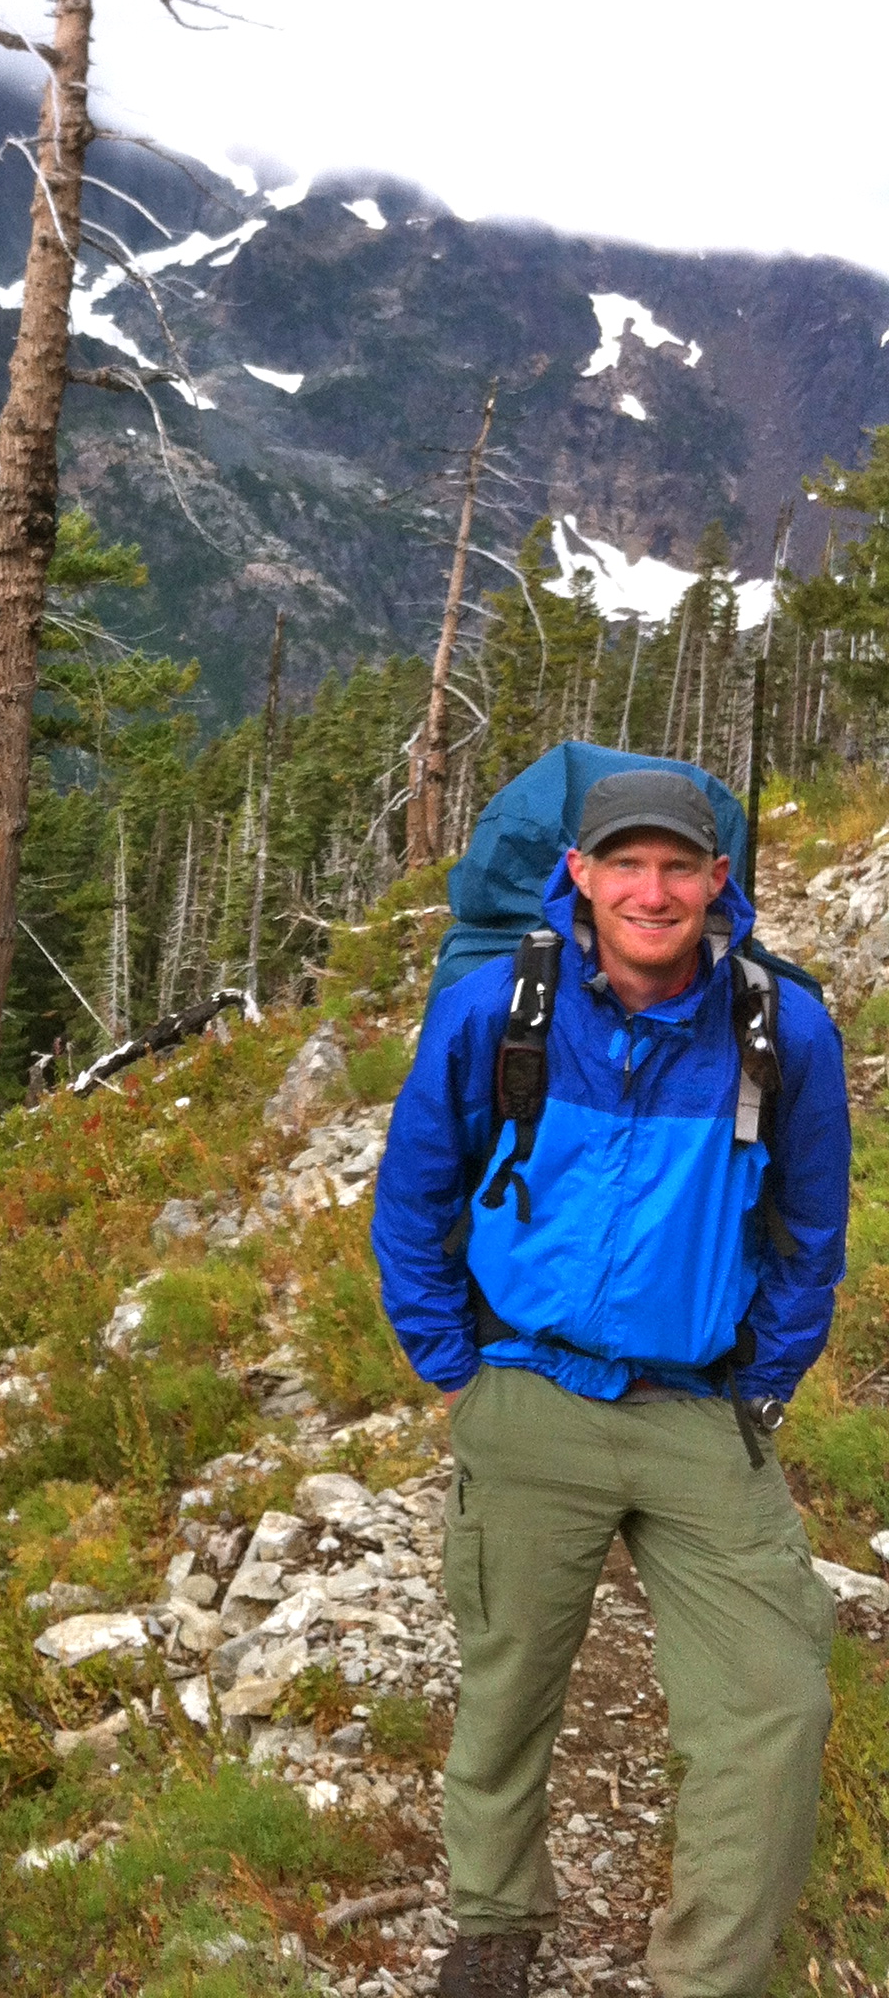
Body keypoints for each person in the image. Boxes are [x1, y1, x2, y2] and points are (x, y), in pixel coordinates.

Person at [372, 768, 850, 1998]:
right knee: (511, 1674)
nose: (653, 891)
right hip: (526, 1389)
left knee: (774, 1700)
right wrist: (449, 1369)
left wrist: (765, 1382)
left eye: (678, 867)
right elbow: (415, 1190)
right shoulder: (502, 1010)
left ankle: (713, 1975)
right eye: (624, 864)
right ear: (577, 875)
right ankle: (493, 1923)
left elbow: (809, 1228)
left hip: (697, 1404)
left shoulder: (780, 1029)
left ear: (715, 883)